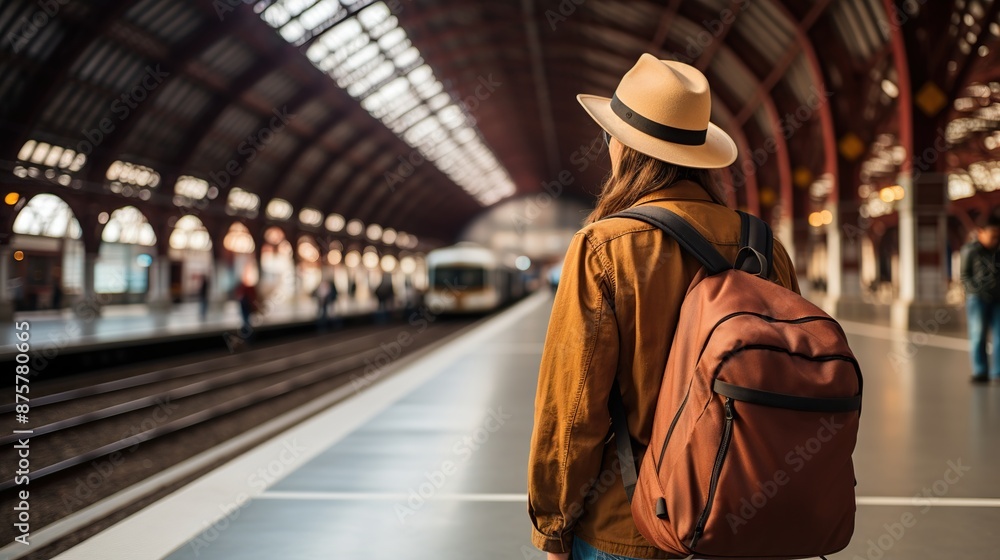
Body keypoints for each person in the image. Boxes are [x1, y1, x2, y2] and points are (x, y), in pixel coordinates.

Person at [526, 54, 800, 560]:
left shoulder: (602, 247)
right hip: (742, 518)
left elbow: (572, 410)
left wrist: (553, 528)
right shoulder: (763, 246)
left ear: (624, 148)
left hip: (630, 526)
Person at [960, 214, 1000, 383]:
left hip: (998, 299)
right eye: (993, 236)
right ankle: (980, 371)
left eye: (998, 236)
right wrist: (975, 291)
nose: (995, 240)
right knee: (978, 335)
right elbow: (965, 275)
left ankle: (998, 372)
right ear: (981, 232)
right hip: (977, 299)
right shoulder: (970, 250)